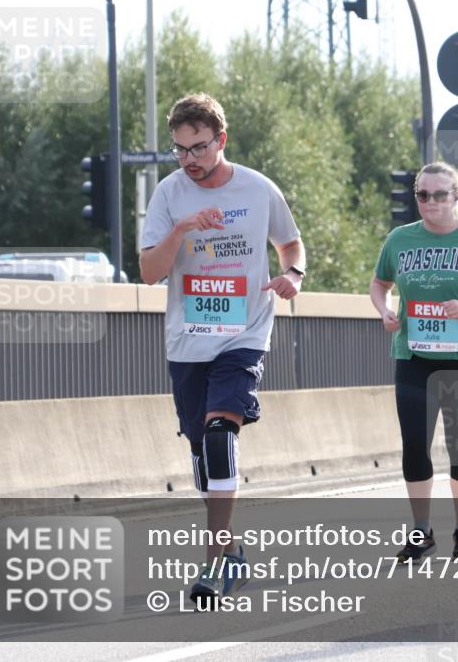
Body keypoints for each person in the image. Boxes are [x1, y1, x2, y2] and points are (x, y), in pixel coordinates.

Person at [139, 93, 306, 606]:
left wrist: (292, 275)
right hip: (188, 340)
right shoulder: (169, 195)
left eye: (200, 148)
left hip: (244, 333)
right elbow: (149, 272)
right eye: (181, 149)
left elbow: (291, 244)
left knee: (218, 436)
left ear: (221, 141)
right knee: (200, 453)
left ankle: (213, 561)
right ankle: (231, 544)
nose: (190, 159)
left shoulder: (258, 190)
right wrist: (184, 228)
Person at [369, 161, 458, 562]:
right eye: (423, 195)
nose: (430, 202)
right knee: (414, 444)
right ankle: (421, 531)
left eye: (440, 195)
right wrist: (385, 310)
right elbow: (380, 283)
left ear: (456, 197)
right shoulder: (400, 239)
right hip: (413, 353)